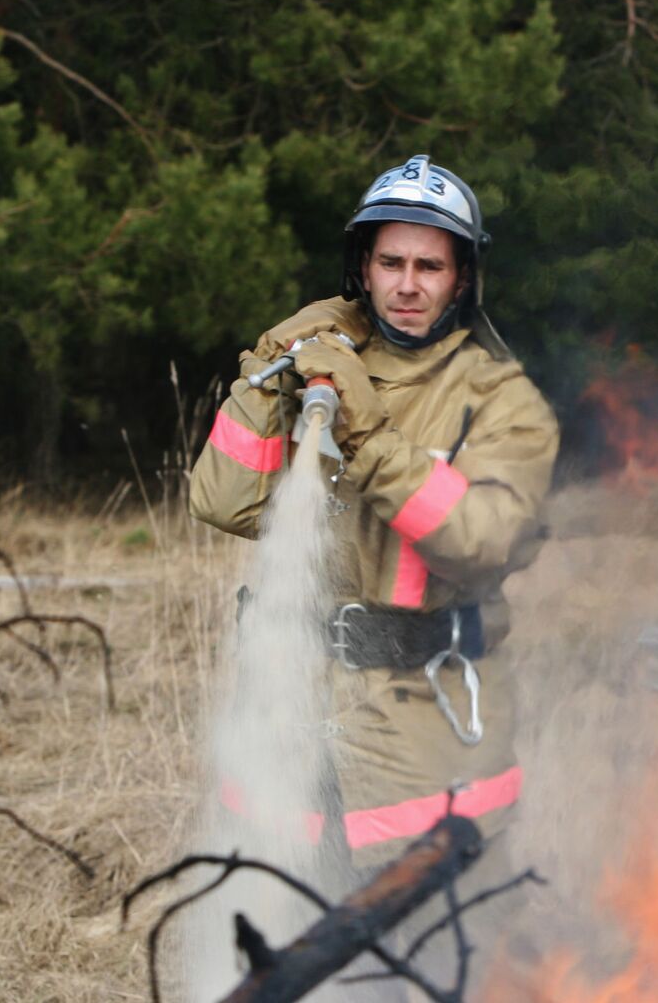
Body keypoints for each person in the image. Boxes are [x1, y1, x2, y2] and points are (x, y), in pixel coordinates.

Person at [188, 154, 558, 943]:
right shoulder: (326, 368)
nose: (409, 283)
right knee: (291, 948)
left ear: (463, 279)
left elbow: (479, 545)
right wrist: (265, 376)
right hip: (298, 719)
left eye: (431, 265)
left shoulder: (502, 402)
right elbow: (222, 501)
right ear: (363, 268)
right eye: (391, 262)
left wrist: (369, 432)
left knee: (423, 961)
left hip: (419, 739)